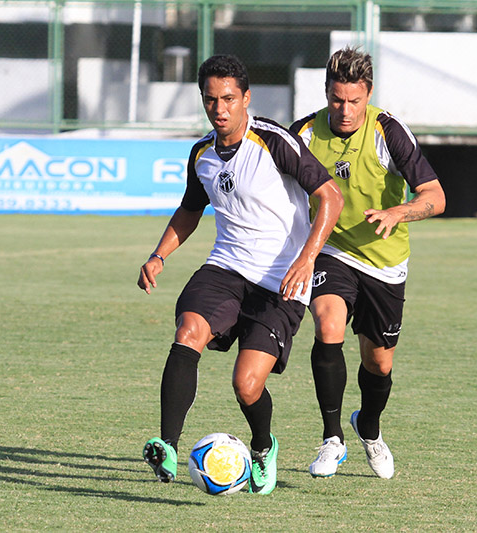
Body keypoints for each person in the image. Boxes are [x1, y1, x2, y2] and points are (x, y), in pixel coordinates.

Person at [138, 54, 343, 495]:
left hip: (282, 281)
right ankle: (167, 447)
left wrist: (307, 259)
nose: (220, 108)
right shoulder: (202, 154)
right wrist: (159, 255)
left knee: (246, 385)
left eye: (228, 98)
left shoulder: (274, 141)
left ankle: (263, 446)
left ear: (246, 98)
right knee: (189, 328)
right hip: (227, 267)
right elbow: (191, 209)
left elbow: (331, 196)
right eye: (210, 100)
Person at [290, 46, 446, 479]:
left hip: (384, 261)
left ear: (368, 94)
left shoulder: (388, 131)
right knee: (328, 326)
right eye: (337, 100)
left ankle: (369, 429)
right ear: (326, 92)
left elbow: (435, 197)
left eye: (354, 101)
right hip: (332, 250)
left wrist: (399, 212)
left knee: (379, 363)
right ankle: (332, 439)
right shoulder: (303, 133)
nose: (344, 110)